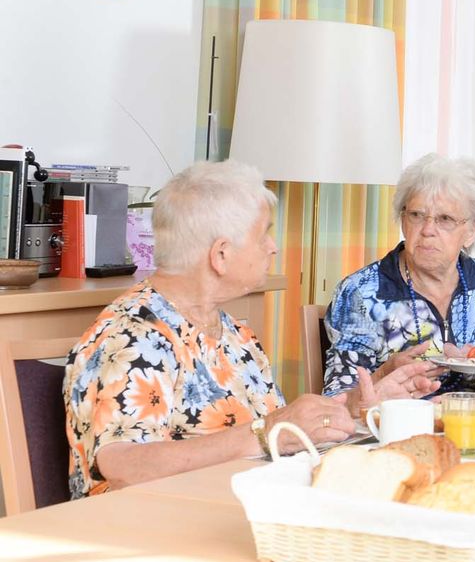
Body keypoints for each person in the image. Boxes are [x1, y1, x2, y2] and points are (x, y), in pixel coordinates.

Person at [64, 161, 437, 499]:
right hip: (153, 533)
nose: (273, 247)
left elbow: (280, 435)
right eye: (264, 235)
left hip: (240, 512)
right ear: (221, 255)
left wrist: (353, 406)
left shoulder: (235, 336)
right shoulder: (134, 338)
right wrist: (267, 430)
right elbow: (123, 466)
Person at [324, 154, 475, 396]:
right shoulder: (362, 291)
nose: (428, 230)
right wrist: (386, 373)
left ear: (471, 232)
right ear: (403, 220)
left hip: (472, 424)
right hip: (396, 425)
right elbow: (337, 397)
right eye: (417, 215)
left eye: (445, 219)